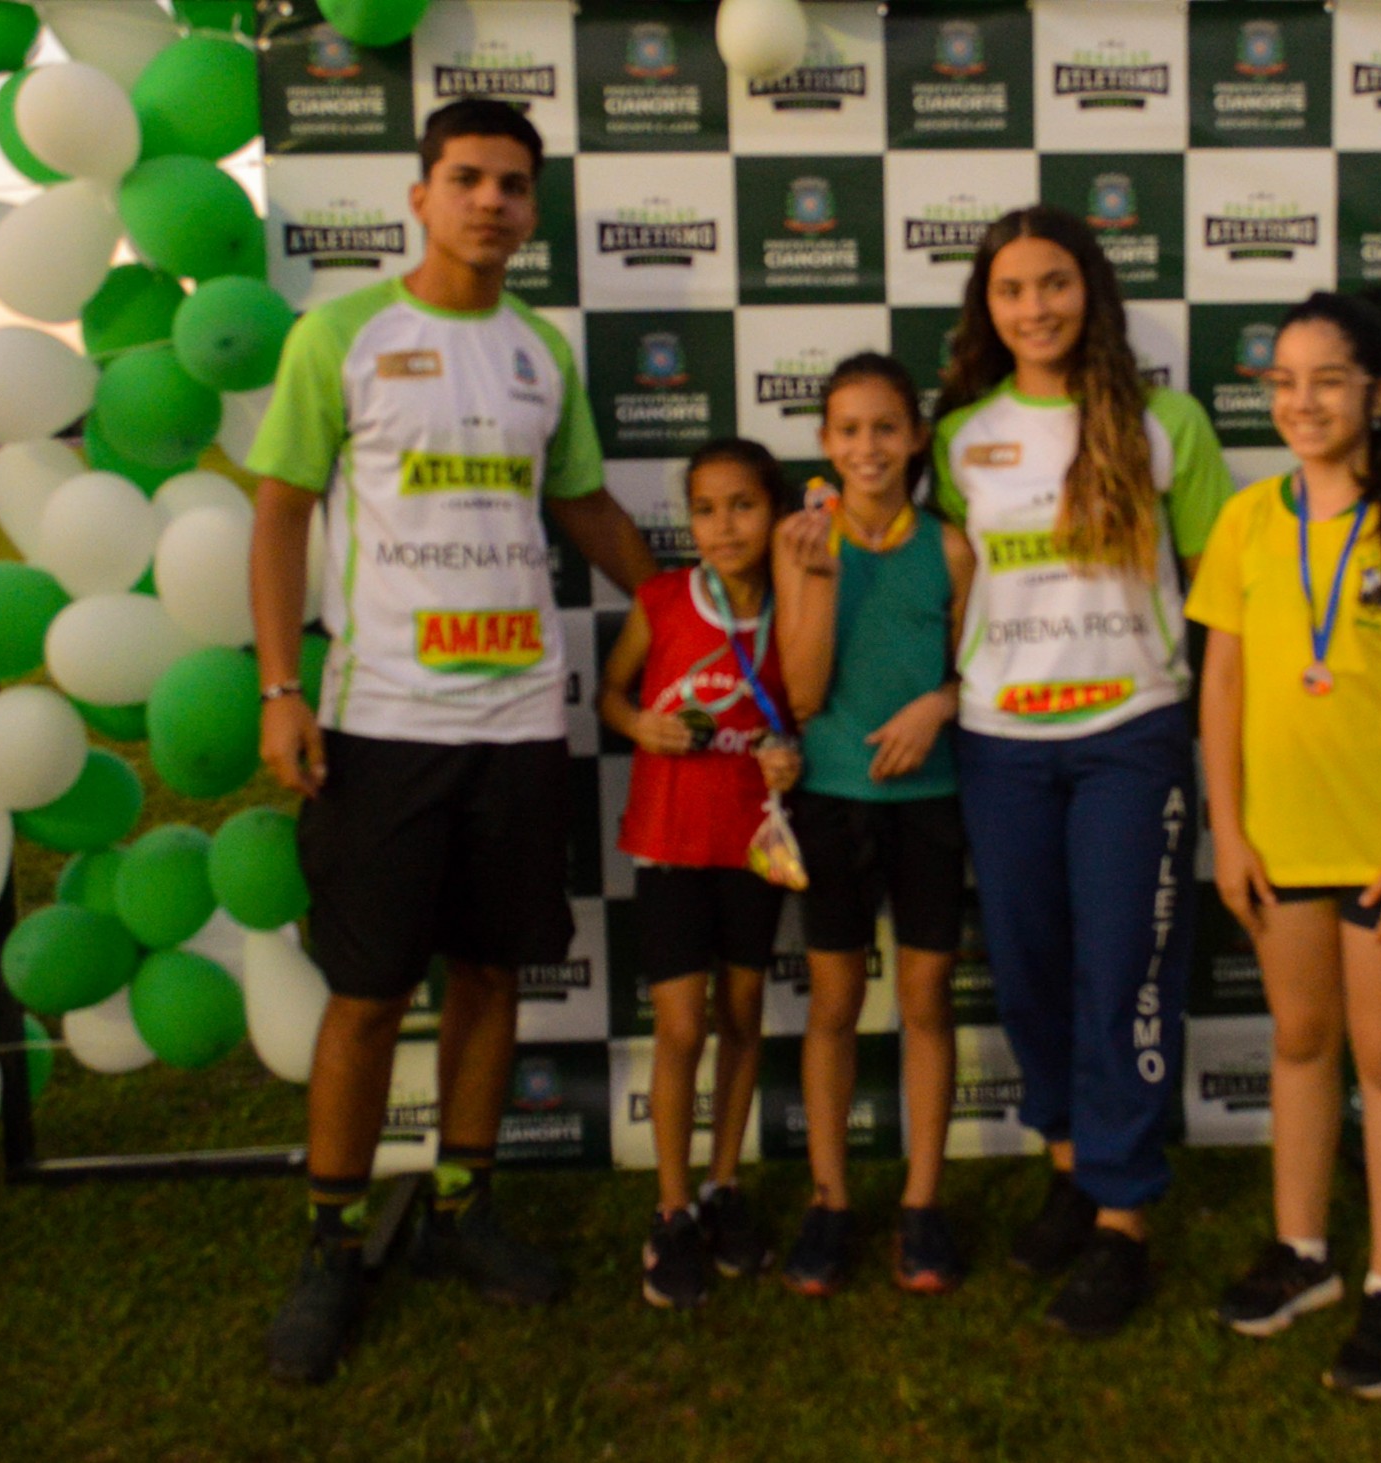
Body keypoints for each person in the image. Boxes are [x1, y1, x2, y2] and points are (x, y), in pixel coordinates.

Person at [248, 98, 658, 1383]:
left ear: (533, 210)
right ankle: (331, 1245)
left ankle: (463, 1211)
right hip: (381, 723)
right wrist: (279, 684)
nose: (492, 201)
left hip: (521, 718)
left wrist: (694, 610)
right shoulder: (341, 336)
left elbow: (583, 502)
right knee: (369, 995)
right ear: (420, 195)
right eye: (469, 178)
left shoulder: (541, 350)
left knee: (489, 973)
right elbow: (279, 512)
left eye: (514, 185)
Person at [931, 204, 1233, 1336]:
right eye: (1011, 290)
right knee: (1029, 969)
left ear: (1091, 291)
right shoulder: (961, 436)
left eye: (1053, 283)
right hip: (999, 739)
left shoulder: (1165, 423)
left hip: (1129, 735)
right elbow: (946, 582)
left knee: (1123, 974)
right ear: (987, 307)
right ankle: (1070, 1162)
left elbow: (1219, 596)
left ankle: (1122, 1216)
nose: (1035, 307)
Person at [1188, 290, 1381, 1399]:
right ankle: (1304, 1250)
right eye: (1283, 379)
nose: (1299, 399)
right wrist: (1228, 829)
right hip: (1278, 841)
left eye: (1326, 379)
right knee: (1301, 1039)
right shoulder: (1246, 520)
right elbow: (1222, 685)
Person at [771, 353, 977, 1297]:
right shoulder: (800, 541)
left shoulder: (952, 549)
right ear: (824, 441)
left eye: (886, 427)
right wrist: (816, 580)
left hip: (930, 802)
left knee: (927, 999)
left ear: (917, 438)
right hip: (832, 797)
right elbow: (804, 694)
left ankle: (922, 1202)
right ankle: (830, 1198)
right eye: (849, 430)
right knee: (835, 1002)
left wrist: (938, 703)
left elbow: (974, 673)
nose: (868, 447)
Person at [598, 438, 801, 1310]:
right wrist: (639, 725)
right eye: (706, 510)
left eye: (743, 506)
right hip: (673, 841)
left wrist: (791, 755)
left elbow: (809, 709)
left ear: (775, 512)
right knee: (681, 1027)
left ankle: (723, 1186)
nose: (723, 526)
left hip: (754, 844)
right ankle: (672, 1208)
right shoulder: (663, 599)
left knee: (742, 1015)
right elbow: (609, 694)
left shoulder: (799, 603)